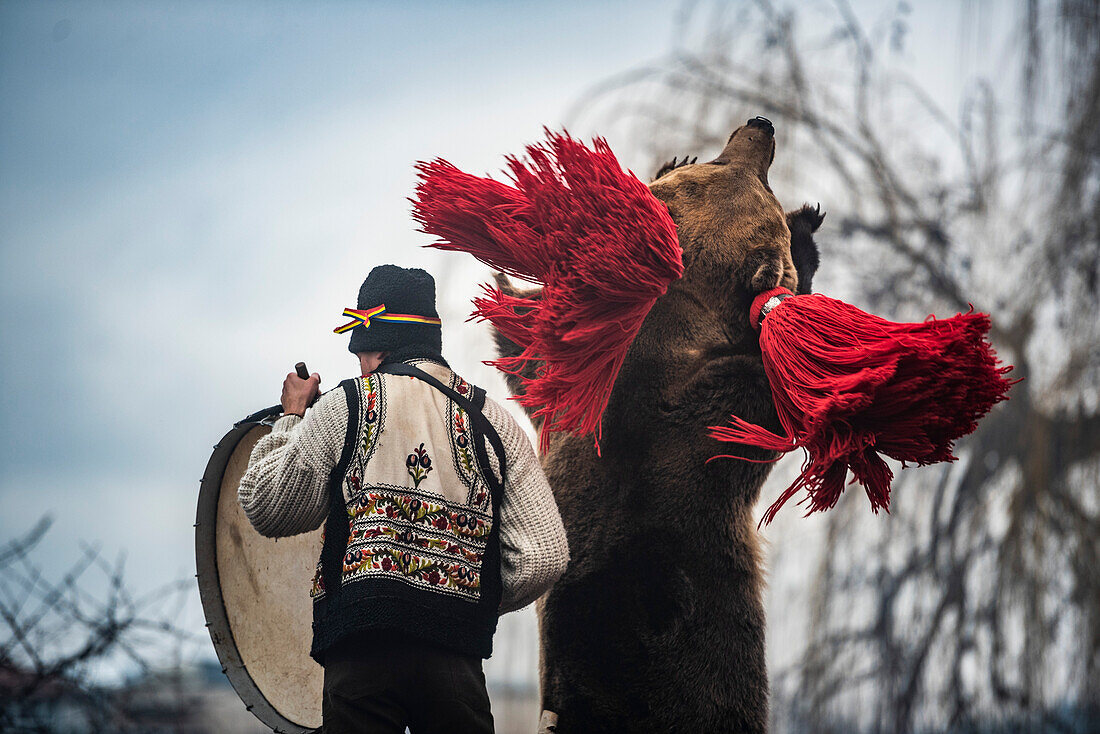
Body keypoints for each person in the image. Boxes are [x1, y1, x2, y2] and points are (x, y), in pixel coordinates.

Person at [238, 264, 569, 734]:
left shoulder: (347, 405)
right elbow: (545, 558)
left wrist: (292, 417)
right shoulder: (495, 424)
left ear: (374, 347)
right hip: (455, 668)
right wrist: (461, 595)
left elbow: (268, 505)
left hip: (361, 663)